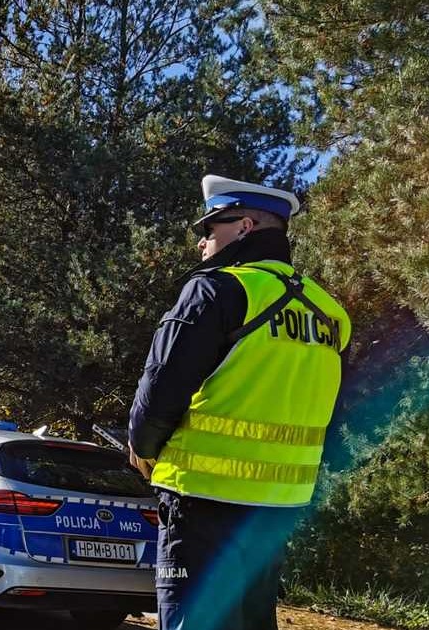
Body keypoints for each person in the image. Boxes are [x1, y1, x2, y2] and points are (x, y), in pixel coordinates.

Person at [127, 175, 351, 630]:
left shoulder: (217, 290)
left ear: (244, 227)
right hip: (277, 509)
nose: (202, 243)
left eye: (209, 230)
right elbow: (332, 412)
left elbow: (161, 386)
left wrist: (143, 449)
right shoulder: (331, 314)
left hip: (202, 501)